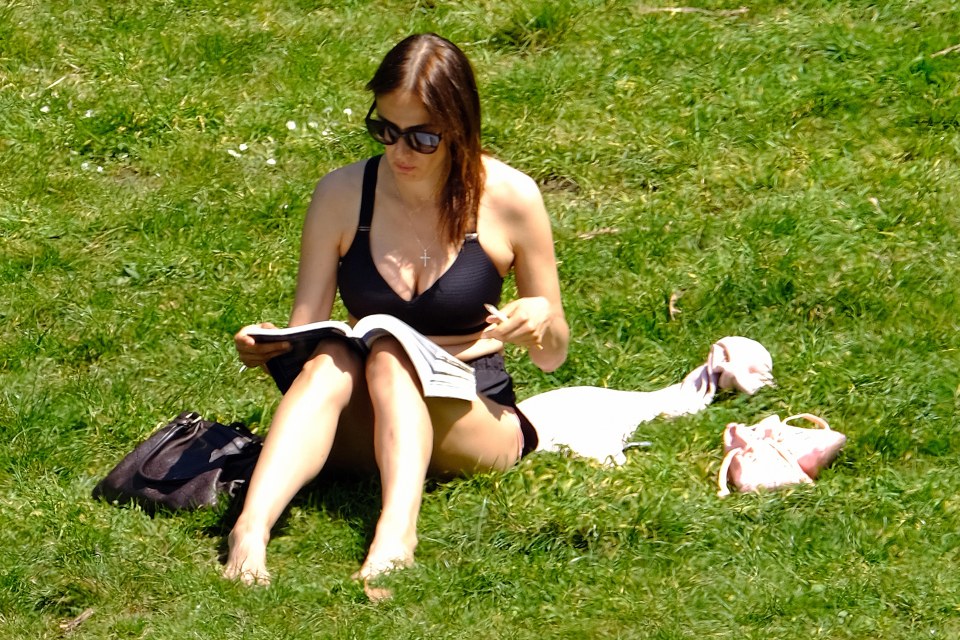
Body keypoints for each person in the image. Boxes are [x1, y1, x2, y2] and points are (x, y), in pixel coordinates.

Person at [223, 33, 569, 586]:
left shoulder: (511, 196)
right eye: (384, 130)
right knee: (337, 352)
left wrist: (539, 322)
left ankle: (395, 536)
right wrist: (266, 348)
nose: (400, 152)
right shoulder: (341, 194)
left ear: (460, 126)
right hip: (367, 423)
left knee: (386, 351)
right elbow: (305, 328)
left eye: (423, 137)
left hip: (473, 414)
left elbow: (554, 356)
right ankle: (249, 531)